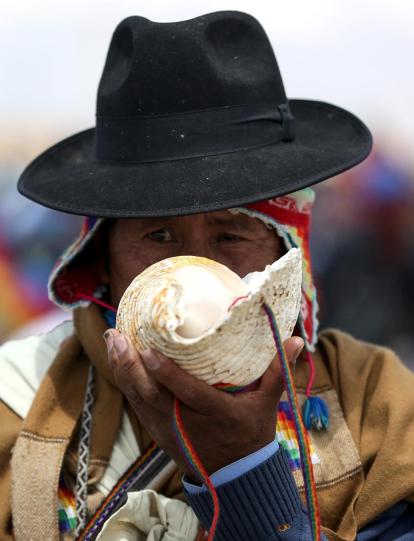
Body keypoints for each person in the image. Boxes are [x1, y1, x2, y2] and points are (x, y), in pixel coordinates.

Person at [1, 11, 414, 541]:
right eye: (159, 238)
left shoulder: (373, 403)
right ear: (101, 259)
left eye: (231, 235)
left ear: (285, 252)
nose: (200, 274)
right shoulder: (19, 398)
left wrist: (243, 469)